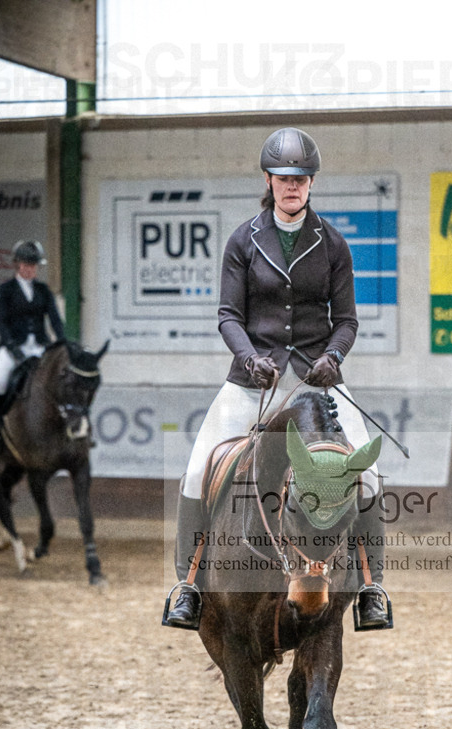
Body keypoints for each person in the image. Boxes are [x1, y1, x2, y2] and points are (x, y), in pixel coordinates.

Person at [164, 126, 392, 631]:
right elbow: (228, 315)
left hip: (317, 378)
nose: (292, 186)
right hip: (254, 380)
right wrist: (249, 360)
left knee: (368, 472)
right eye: (284, 178)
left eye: (301, 178)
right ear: (269, 180)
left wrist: (333, 356)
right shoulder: (243, 240)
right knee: (199, 468)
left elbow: (348, 320)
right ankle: (187, 584)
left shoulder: (332, 243)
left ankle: (372, 587)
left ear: (311, 182)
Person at [0, 240, 67, 424]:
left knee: (62, 380)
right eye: (26, 265)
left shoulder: (43, 290)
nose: (30, 269)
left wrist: (62, 343)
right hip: (14, 347)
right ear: (17, 264)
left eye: (33, 266)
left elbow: (55, 319)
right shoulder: (5, 290)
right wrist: (11, 346)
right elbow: (1, 322)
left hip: (40, 347)